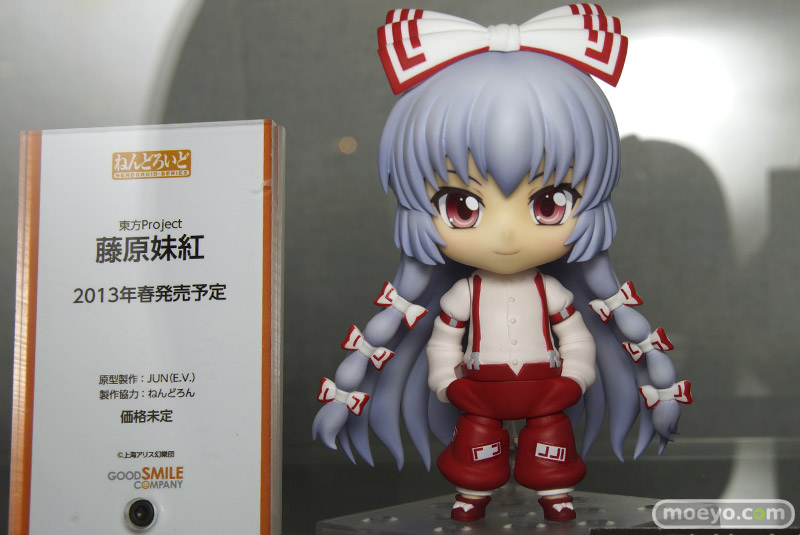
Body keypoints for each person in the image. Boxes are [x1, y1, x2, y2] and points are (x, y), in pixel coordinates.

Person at [314, 5, 691, 522]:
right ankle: (473, 495)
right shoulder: (461, 294)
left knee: (551, 450)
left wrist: (576, 377)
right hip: (478, 392)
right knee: (476, 455)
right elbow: (443, 341)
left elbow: (575, 337)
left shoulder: (552, 293)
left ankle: (555, 494)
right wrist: (447, 383)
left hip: (546, 388)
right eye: (461, 206)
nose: (509, 234)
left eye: (549, 204)